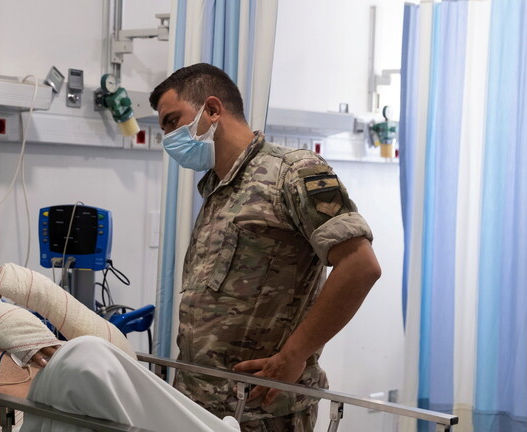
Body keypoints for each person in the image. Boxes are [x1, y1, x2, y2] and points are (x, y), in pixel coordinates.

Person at [149, 63, 381, 432]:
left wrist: (294, 355)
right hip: (200, 404)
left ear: (212, 109)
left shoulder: (292, 172)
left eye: (172, 122)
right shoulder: (217, 191)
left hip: (263, 409)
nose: (168, 138)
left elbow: (360, 267)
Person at [0, 231, 240, 432]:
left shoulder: (19, 334)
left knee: (92, 357)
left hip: (68, 423)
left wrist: (42, 293)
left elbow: (122, 360)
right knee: (83, 354)